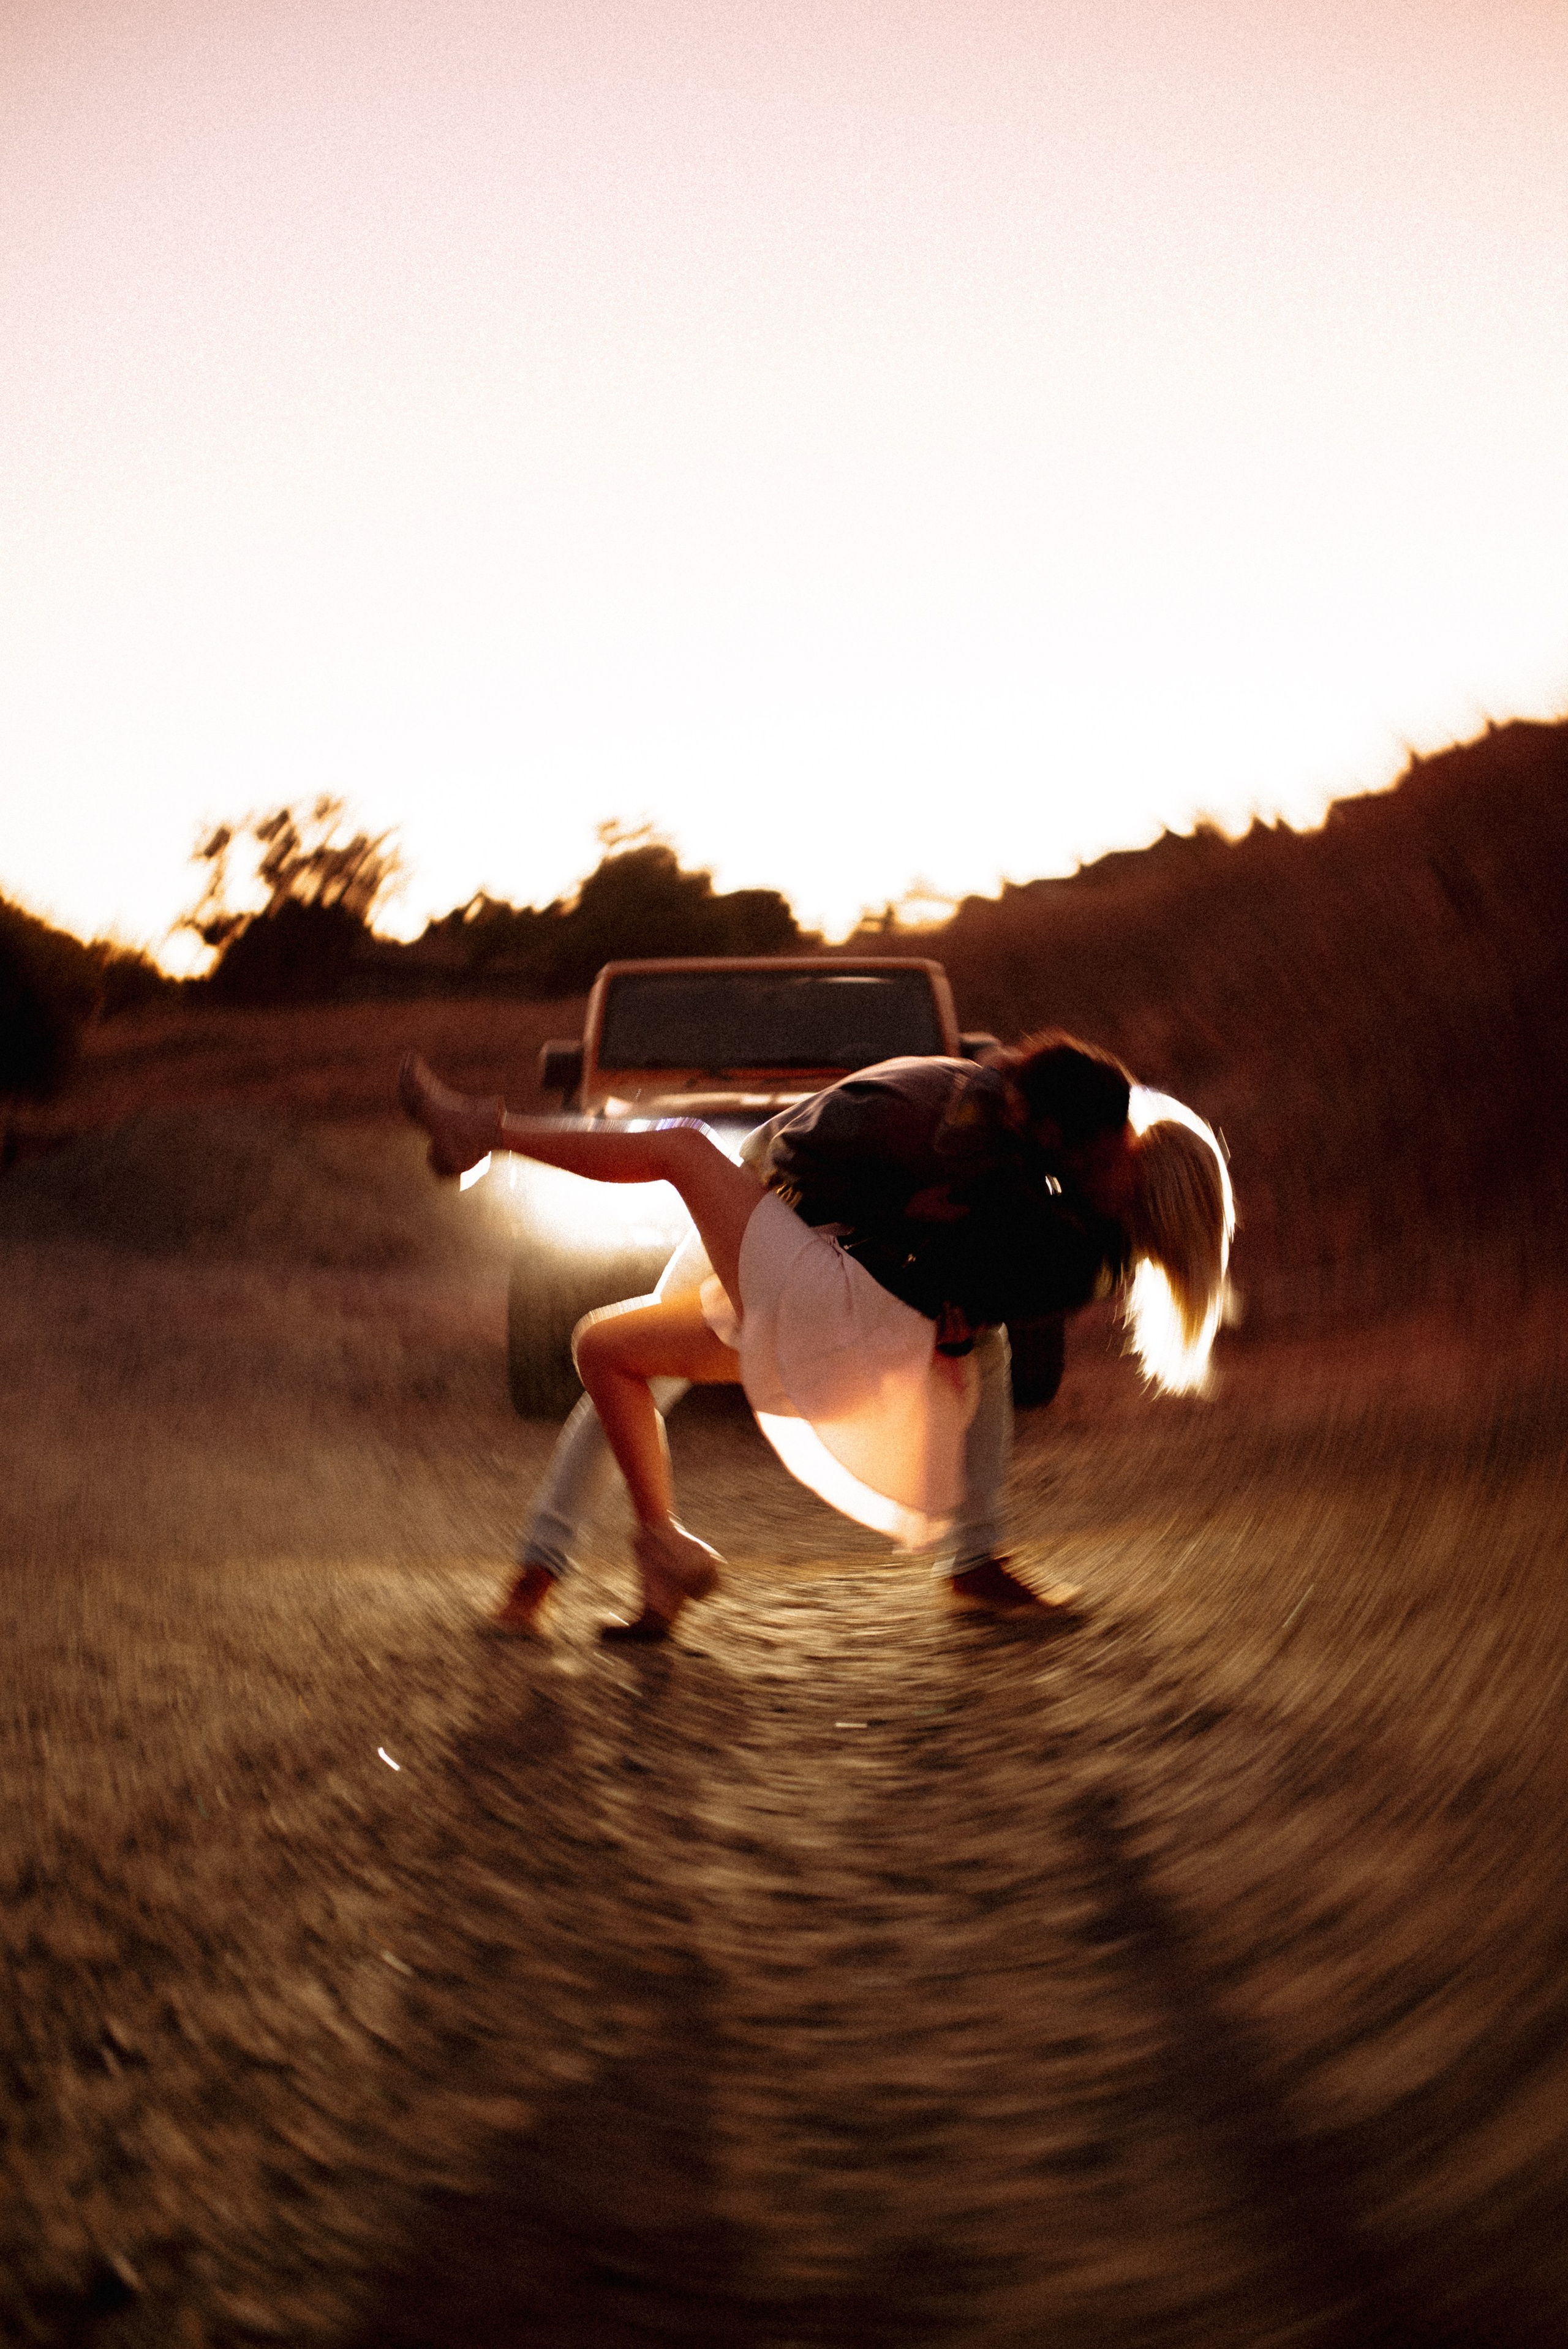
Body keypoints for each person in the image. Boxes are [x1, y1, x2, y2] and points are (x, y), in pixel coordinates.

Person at [398, 1038, 1232, 1643]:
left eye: (1123, 1158)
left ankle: (486, 1130)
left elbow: (955, 1275)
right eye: (1112, 1146)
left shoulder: (1073, 1238)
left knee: (681, 1151)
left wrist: (916, 1245)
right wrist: (928, 1246)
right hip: (812, 1242)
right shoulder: (1058, 1197)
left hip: (821, 1276)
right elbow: (966, 1280)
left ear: (1151, 1198)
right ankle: (594, 1571)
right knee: (614, 1351)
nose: (1106, 1155)